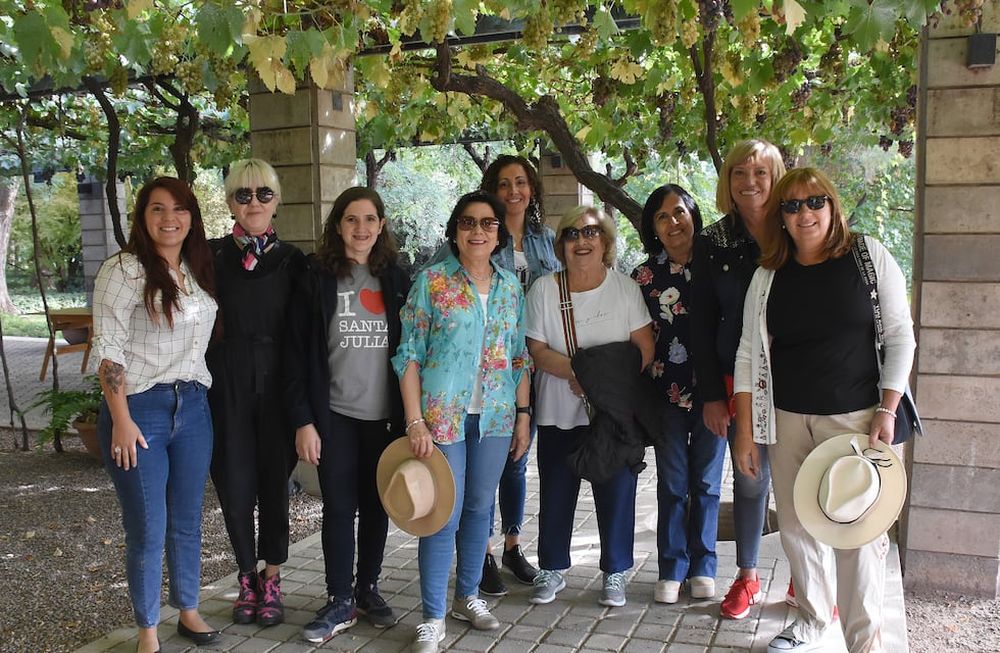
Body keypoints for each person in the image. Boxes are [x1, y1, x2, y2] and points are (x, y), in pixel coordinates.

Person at [732, 167, 915, 653]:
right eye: (791, 207)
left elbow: (900, 336)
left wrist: (889, 408)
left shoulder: (867, 257)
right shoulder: (768, 275)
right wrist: (746, 432)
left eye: (814, 202)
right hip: (788, 420)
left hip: (854, 419)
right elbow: (749, 353)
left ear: (832, 206)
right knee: (797, 527)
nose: (804, 213)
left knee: (856, 532)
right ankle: (812, 619)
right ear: (781, 218)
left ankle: (864, 639)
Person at [392, 191, 531, 653]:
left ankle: (467, 596)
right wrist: (414, 421)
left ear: (499, 232)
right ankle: (432, 616)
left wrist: (523, 416)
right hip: (441, 419)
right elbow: (408, 356)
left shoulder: (511, 287)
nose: (478, 231)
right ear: (455, 230)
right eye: (468, 223)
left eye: (488, 224)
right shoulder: (430, 282)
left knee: (478, 509)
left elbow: (518, 358)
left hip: (494, 417)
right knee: (440, 514)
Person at [92, 177, 219, 653]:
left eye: (180, 209)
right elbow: (108, 350)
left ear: (192, 216)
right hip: (139, 410)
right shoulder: (123, 270)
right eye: (158, 209)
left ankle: (187, 609)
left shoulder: (194, 268)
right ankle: (148, 630)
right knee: (147, 525)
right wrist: (121, 419)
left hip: (194, 409)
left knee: (187, 519)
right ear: (142, 218)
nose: (170, 218)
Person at [284, 187, 411, 642]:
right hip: (334, 415)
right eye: (352, 219)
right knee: (340, 508)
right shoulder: (316, 278)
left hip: (385, 419)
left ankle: (367, 588)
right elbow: (295, 355)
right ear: (338, 225)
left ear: (381, 226)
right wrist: (303, 420)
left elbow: (412, 352)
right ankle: (339, 598)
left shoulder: (396, 280)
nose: (362, 229)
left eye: (370, 219)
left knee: (378, 506)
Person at [525, 205, 654, 608]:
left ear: (606, 242)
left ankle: (615, 572)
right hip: (558, 410)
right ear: (561, 244)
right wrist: (578, 375)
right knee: (556, 490)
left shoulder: (625, 289)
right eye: (572, 234)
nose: (582, 240)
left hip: (612, 414)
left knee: (616, 490)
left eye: (591, 233)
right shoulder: (545, 289)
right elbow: (537, 349)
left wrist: (601, 383)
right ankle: (552, 567)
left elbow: (644, 349)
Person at [689, 138, 787, 619]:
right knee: (751, 478)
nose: (750, 182)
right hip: (736, 379)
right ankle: (748, 577)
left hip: (798, 378)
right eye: (739, 173)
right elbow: (701, 323)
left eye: (761, 172)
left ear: (776, 176)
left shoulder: (798, 226)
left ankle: (807, 580)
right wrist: (711, 395)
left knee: (800, 478)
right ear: (727, 182)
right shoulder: (712, 241)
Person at [206, 159, 305, 628]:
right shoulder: (208, 258)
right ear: (229, 202)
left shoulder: (292, 261)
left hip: (276, 385)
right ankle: (246, 576)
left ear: (276, 200)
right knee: (234, 483)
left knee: (273, 485)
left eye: (263, 193)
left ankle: (273, 576)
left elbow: (303, 336)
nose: (253, 203)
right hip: (225, 383)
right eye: (242, 195)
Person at [632, 185, 728, 604]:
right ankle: (672, 567)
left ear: (693, 213)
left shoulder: (720, 265)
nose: (673, 222)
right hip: (664, 395)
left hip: (715, 396)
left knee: (706, 483)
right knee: (673, 484)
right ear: (653, 228)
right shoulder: (644, 276)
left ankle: (704, 566)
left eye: (679, 212)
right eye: (662, 217)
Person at [478, 154, 561, 594]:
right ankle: (483, 551)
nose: (514, 191)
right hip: (493, 365)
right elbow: (439, 276)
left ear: (532, 190)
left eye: (522, 182)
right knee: (490, 460)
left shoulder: (546, 240)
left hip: (538, 364)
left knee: (518, 459)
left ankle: (512, 545)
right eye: (505, 183)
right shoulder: (478, 233)